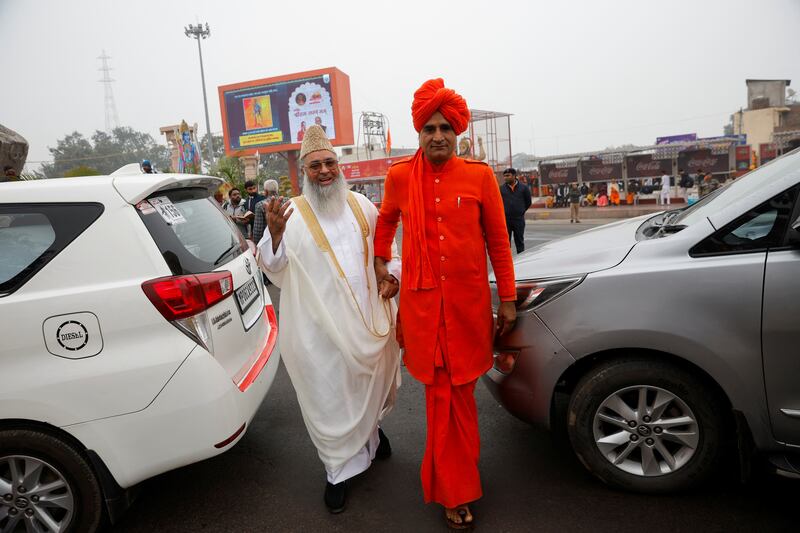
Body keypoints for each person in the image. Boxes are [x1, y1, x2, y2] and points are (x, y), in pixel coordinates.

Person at [373, 78, 516, 530]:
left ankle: (456, 474)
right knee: (440, 399)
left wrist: (507, 300)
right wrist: (382, 267)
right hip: (422, 312)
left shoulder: (479, 176)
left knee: (462, 399)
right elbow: (384, 223)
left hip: (468, 311)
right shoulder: (399, 176)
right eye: (429, 128)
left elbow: (498, 242)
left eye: (445, 128)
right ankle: (454, 491)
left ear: (458, 133)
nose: (437, 136)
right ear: (419, 132)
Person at [257, 124, 402, 514]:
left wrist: (393, 277)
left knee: (367, 386)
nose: (324, 171)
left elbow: (388, 252)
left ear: (339, 166)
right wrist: (272, 236)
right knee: (331, 397)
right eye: (315, 166)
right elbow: (274, 266)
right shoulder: (292, 214)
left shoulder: (362, 206)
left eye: (329, 163)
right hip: (319, 330)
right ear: (304, 171)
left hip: (367, 319)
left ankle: (371, 434)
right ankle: (337, 472)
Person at [500, 167, 532, 253]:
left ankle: (522, 261)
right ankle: (508, 263)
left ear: (514, 176)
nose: (505, 177)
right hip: (506, 220)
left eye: (508, 175)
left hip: (519, 219)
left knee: (519, 242)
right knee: (506, 243)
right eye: (504, 176)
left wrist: (521, 211)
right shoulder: (501, 189)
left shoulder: (524, 188)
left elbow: (528, 202)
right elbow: (498, 203)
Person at [252, 179, 279, 245]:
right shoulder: (288, 201)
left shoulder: (260, 205)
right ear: (277, 190)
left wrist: (257, 245)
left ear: (266, 192)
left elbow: (258, 230)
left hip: (269, 242)